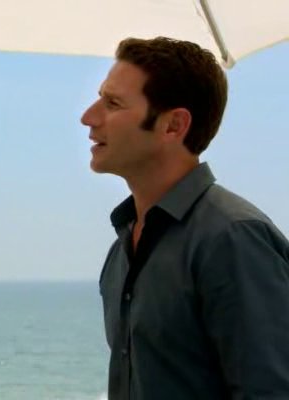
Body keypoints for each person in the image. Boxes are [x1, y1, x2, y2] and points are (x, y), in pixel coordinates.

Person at [81, 36, 289, 399]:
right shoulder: (124, 248)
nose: (89, 117)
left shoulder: (233, 238)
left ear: (174, 125)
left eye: (112, 103)